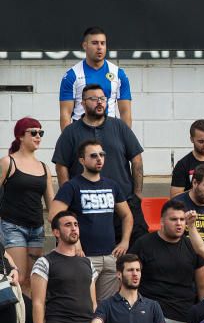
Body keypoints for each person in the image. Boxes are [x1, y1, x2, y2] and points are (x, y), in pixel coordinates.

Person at [52, 84, 147, 245]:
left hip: (124, 203)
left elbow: (137, 160)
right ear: (82, 103)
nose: (99, 102)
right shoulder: (71, 132)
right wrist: (69, 196)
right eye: (93, 99)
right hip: (87, 207)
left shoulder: (119, 126)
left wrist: (137, 194)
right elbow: (61, 166)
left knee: (136, 252)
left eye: (102, 98)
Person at [49, 139, 133, 301]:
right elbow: (54, 216)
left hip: (110, 256)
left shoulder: (112, 185)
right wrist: (75, 242)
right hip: (84, 257)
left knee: (107, 307)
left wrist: (125, 241)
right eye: (93, 156)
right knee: (85, 304)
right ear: (82, 160)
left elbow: (127, 215)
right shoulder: (72, 186)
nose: (99, 159)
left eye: (102, 155)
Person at [0, 117, 54, 289]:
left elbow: (51, 203)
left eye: (41, 133)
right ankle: (17, 317)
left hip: (36, 229)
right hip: (13, 227)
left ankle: (29, 317)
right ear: (20, 136)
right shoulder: (8, 162)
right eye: (33, 132)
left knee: (33, 281)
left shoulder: (44, 167)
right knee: (18, 278)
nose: (38, 136)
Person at [59, 27, 132, 129]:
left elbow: (125, 113)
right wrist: (69, 141)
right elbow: (65, 114)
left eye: (103, 43)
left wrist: (125, 142)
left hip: (109, 131)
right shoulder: (72, 75)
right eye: (95, 43)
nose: (99, 47)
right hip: (81, 132)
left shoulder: (119, 74)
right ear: (85, 46)